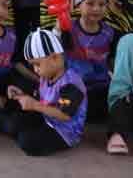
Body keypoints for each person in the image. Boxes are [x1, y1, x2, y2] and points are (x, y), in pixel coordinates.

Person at [6, 28, 87, 156]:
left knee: (26, 142)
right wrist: (21, 95)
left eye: (37, 64)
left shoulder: (71, 82)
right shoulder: (47, 76)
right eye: (33, 65)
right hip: (47, 120)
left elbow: (64, 114)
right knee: (13, 124)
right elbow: (42, 98)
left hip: (65, 132)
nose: (35, 69)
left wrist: (34, 105)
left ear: (55, 58)